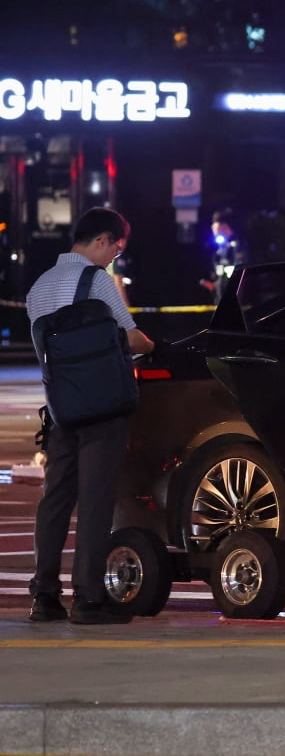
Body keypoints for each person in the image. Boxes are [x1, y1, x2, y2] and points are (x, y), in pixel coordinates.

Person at [25, 207, 155, 625]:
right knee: (96, 501)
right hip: (103, 408)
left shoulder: (38, 287)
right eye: (115, 249)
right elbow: (131, 338)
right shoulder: (96, 280)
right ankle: (88, 597)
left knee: (56, 500)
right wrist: (153, 345)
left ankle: (44, 596)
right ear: (101, 240)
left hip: (62, 409)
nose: (114, 257)